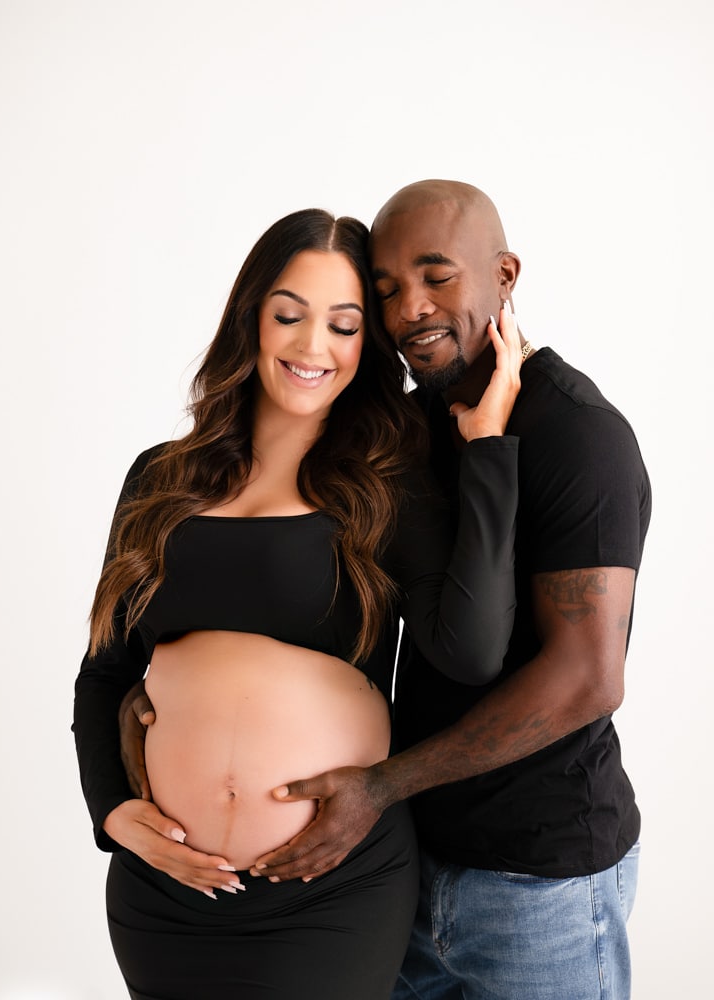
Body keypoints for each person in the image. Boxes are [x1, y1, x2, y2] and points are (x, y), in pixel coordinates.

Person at [73, 206, 525, 1000]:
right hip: (165, 893)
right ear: (250, 319)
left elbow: (471, 648)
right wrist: (110, 812)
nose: (312, 346)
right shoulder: (161, 477)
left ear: (366, 346)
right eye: (288, 315)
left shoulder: (389, 485)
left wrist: (486, 453)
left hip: (331, 889)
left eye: (344, 326)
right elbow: (103, 673)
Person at [237, 181, 652, 1000]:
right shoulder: (408, 423)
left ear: (504, 274)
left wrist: (380, 787)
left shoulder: (578, 435)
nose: (410, 310)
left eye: (437, 276)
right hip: (404, 865)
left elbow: (586, 679)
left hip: (537, 883)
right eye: (385, 290)